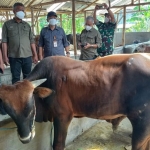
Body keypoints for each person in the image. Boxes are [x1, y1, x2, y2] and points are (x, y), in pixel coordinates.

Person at [2, 2, 38, 84]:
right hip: (14, 56)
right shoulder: (7, 25)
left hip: (27, 56)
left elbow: (31, 41)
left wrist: (35, 54)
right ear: (14, 11)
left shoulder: (27, 25)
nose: (21, 12)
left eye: (23, 10)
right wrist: (4, 56)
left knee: (28, 78)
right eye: (19, 10)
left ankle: (27, 96)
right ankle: (16, 96)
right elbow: (4, 42)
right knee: (15, 78)